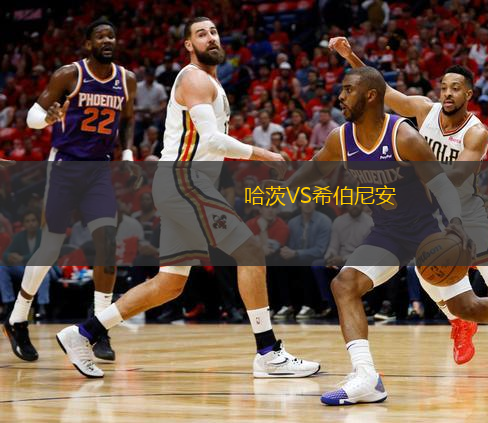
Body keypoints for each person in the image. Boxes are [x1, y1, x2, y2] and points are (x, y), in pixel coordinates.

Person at [55, 17, 319, 380]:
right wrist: (264, 154)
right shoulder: (194, 79)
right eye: (201, 34)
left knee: (170, 283)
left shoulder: (210, 81)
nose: (210, 37)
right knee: (249, 251)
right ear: (189, 45)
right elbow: (211, 140)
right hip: (184, 181)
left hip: (182, 184)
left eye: (214, 31)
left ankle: (83, 333)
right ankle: (268, 352)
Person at [330, 37, 488, 373]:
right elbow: (382, 91)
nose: (447, 94)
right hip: (431, 215)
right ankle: (460, 321)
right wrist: (351, 56)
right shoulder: (424, 110)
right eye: (443, 88)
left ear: (468, 94)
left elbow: (456, 176)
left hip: (468, 214)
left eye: (455, 88)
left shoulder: (476, 133)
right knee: (430, 274)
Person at [3, 19, 138, 363]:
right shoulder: (69, 75)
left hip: (99, 170)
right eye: (100, 37)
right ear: (88, 44)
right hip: (65, 166)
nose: (108, 40)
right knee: (50, 247)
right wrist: (48, 118)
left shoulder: (127, 80)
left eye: (111, 35)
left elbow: (128, 119)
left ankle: (99, 327)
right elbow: (32, 117)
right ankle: (17, 318)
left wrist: (127, 153)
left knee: (107, 243)